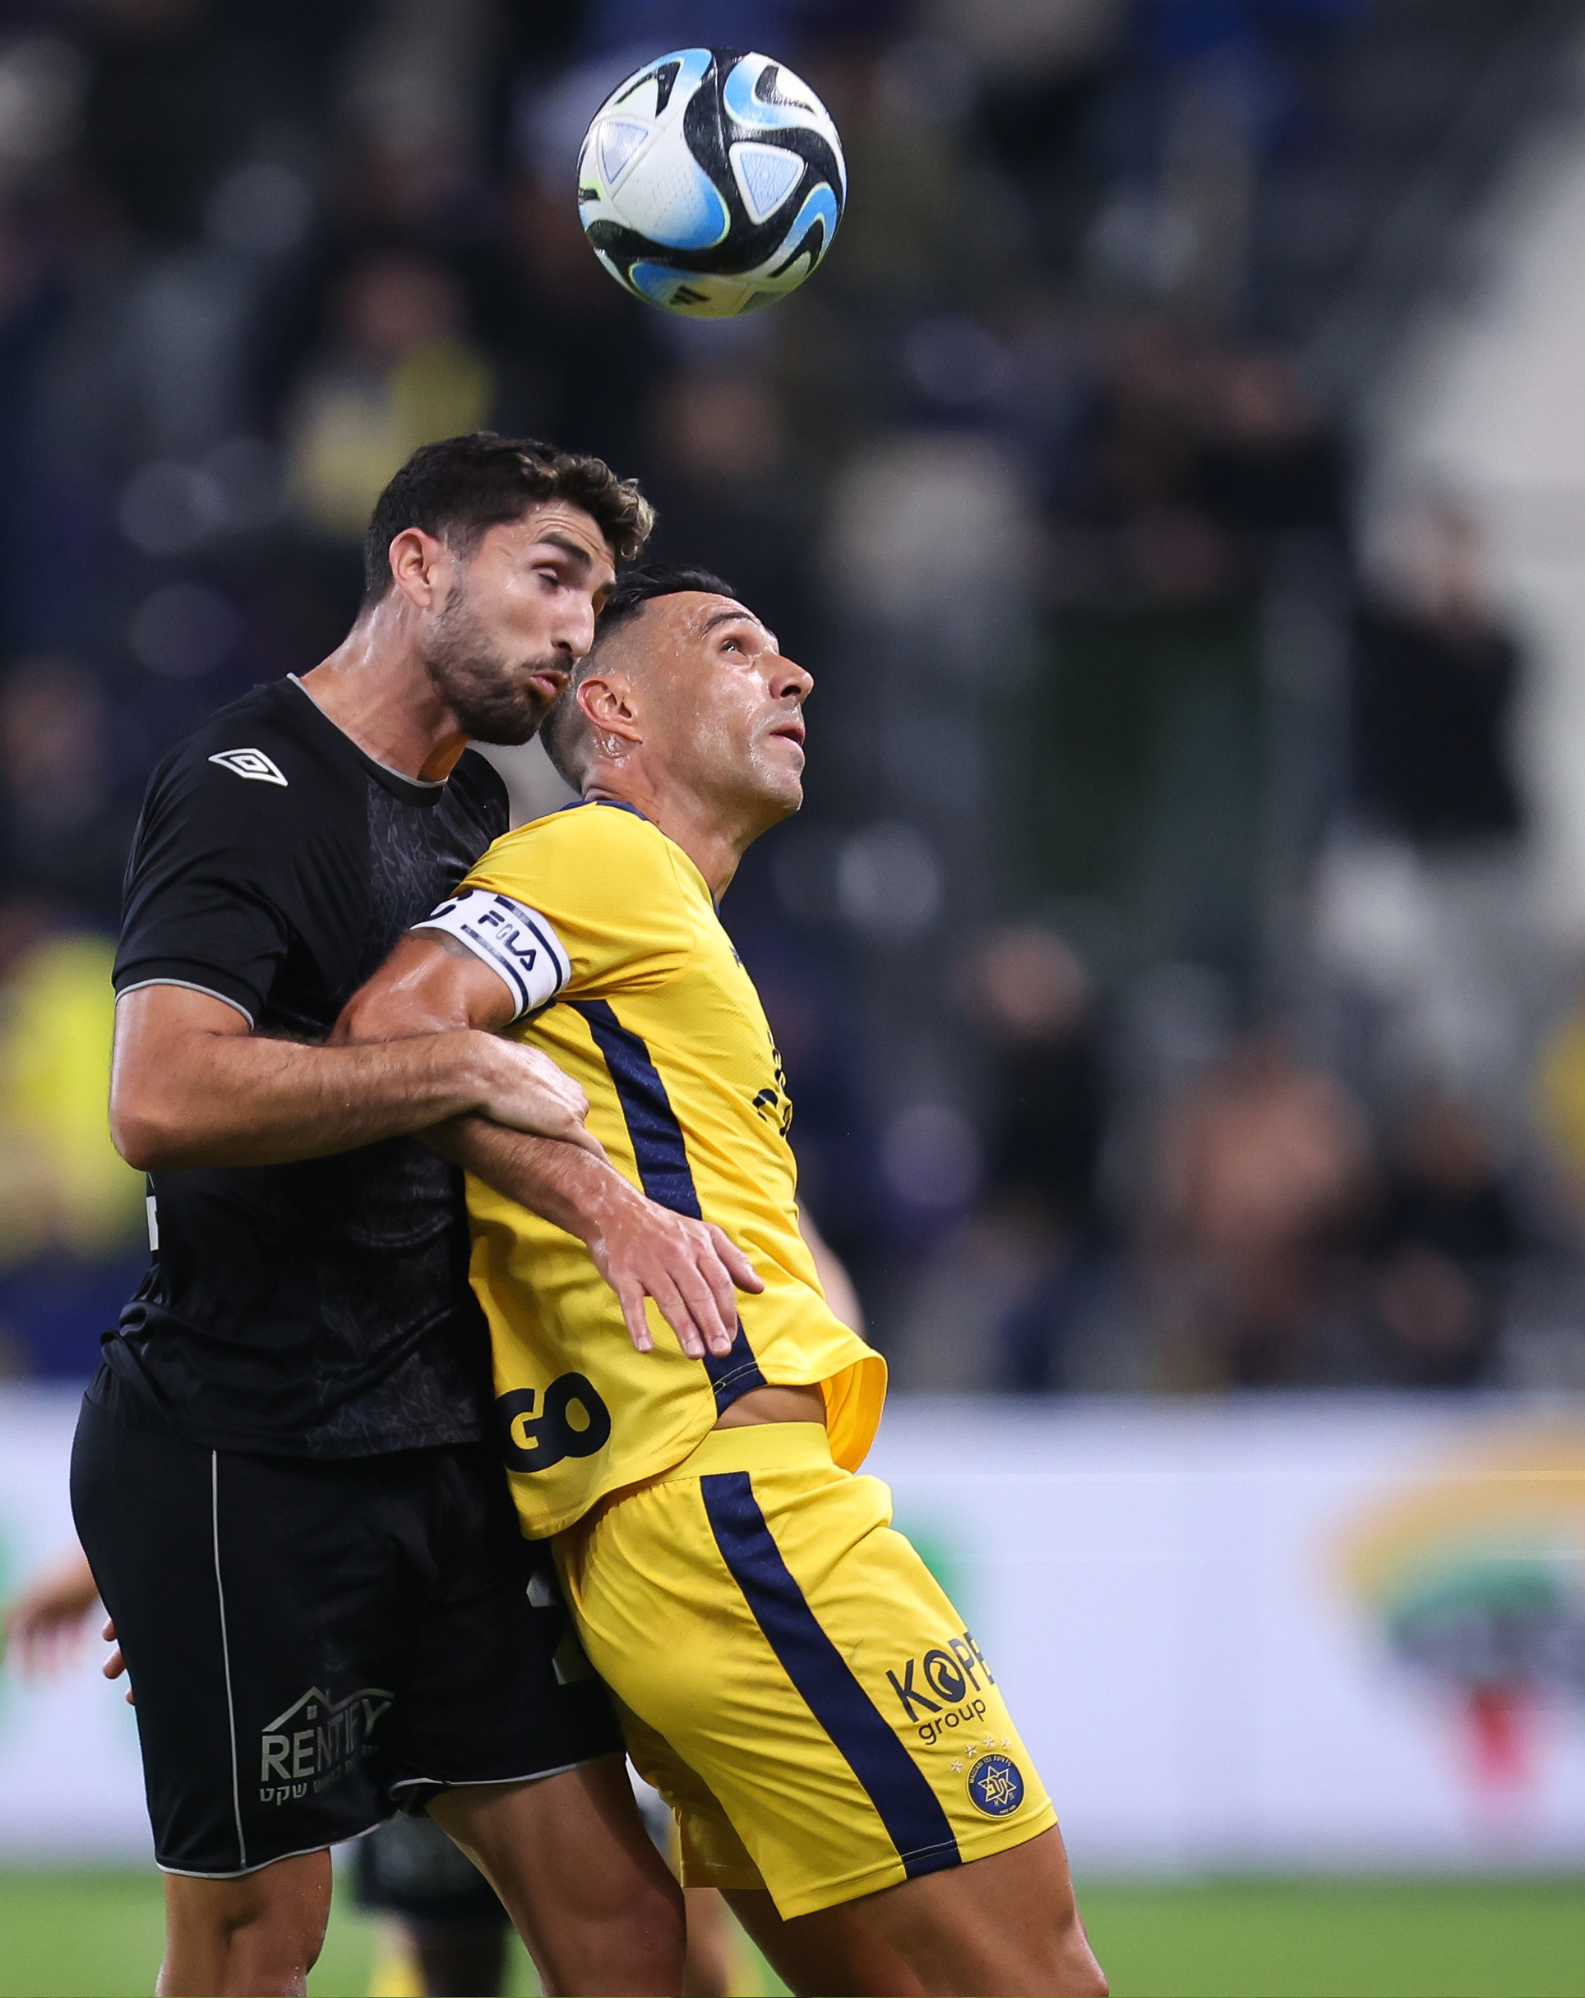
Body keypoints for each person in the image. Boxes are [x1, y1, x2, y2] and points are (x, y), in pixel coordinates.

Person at [337, 566, 1108, 1998]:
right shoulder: (602, 861)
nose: (795, 673)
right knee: (1039, 1979)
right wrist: (604, 1207)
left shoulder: (664, 934)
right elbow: (393, 1024)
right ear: (614, 709)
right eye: (736, 646)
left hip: (665, 1549)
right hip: (739, 1514)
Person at [78, 437, 767, 1998]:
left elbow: (467, 1119)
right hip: (246, 1448)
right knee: (268, 1939)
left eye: (597, 595)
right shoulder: (247, 780)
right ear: (417, 563)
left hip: (442, 1469)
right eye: (550, 574)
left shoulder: (481, 832)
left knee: (629, 1929)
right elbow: (162, 1101)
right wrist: (452, 1051)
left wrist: (603, 1206)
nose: (579, 627)